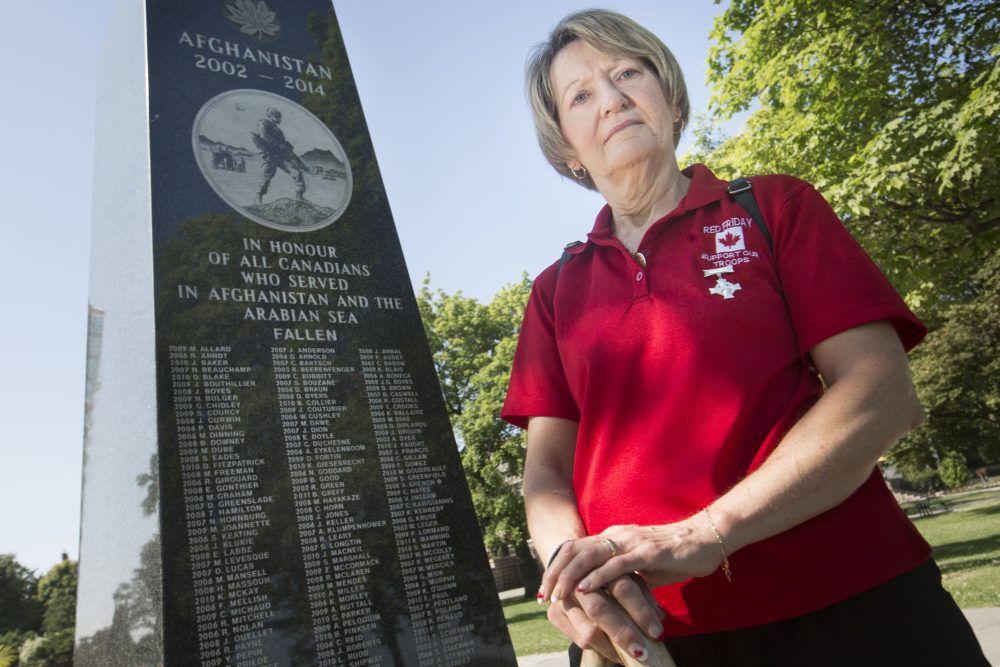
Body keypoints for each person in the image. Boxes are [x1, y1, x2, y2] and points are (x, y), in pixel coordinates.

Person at [502, 9, 987, 666]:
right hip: (656, 636)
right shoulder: (554, 291)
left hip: (854, 601)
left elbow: (882, 392)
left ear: (670, 98)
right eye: (581, 95)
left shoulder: (773, 207)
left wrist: (708, 533)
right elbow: (546, 473)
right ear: (566, 146)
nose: (611, 99)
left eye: (627, 73)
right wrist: (571, 571)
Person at [252, 107, 307, 205]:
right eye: (276, 117)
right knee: (267, 177)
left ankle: (299, 196)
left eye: (279, 117)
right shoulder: (263, 123)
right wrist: (279, 144)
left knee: (296, 172)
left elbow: (283, 145)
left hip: (281, 157)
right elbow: (264, 136)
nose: (279, 119)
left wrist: (286, 148)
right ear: (270, 116)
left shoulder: (278, 130)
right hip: (269, 156)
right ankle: (258, 197)